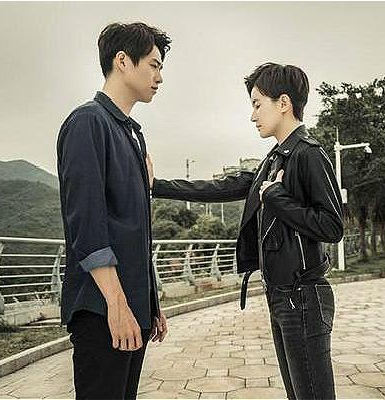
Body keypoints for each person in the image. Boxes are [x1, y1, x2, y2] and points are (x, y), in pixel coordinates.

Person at [149, 62, 343, 399]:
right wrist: (157, 185)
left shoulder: (308, 155)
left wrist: (277, 198)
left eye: (257, 104)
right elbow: (222, 187)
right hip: (281, 296)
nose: (253, 115)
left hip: (303, 296)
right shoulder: (275, 159)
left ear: (283, 103)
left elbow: (332, 225)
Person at [56, 22, 171, 399]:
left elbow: (133, 229)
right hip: (102, 310)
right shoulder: (88, 122)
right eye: (153, 65)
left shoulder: (132, 133)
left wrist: (150, 302)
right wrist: (117, 305)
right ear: (122, 61)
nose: (159, 77)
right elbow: (88, 227)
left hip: (130, 308)